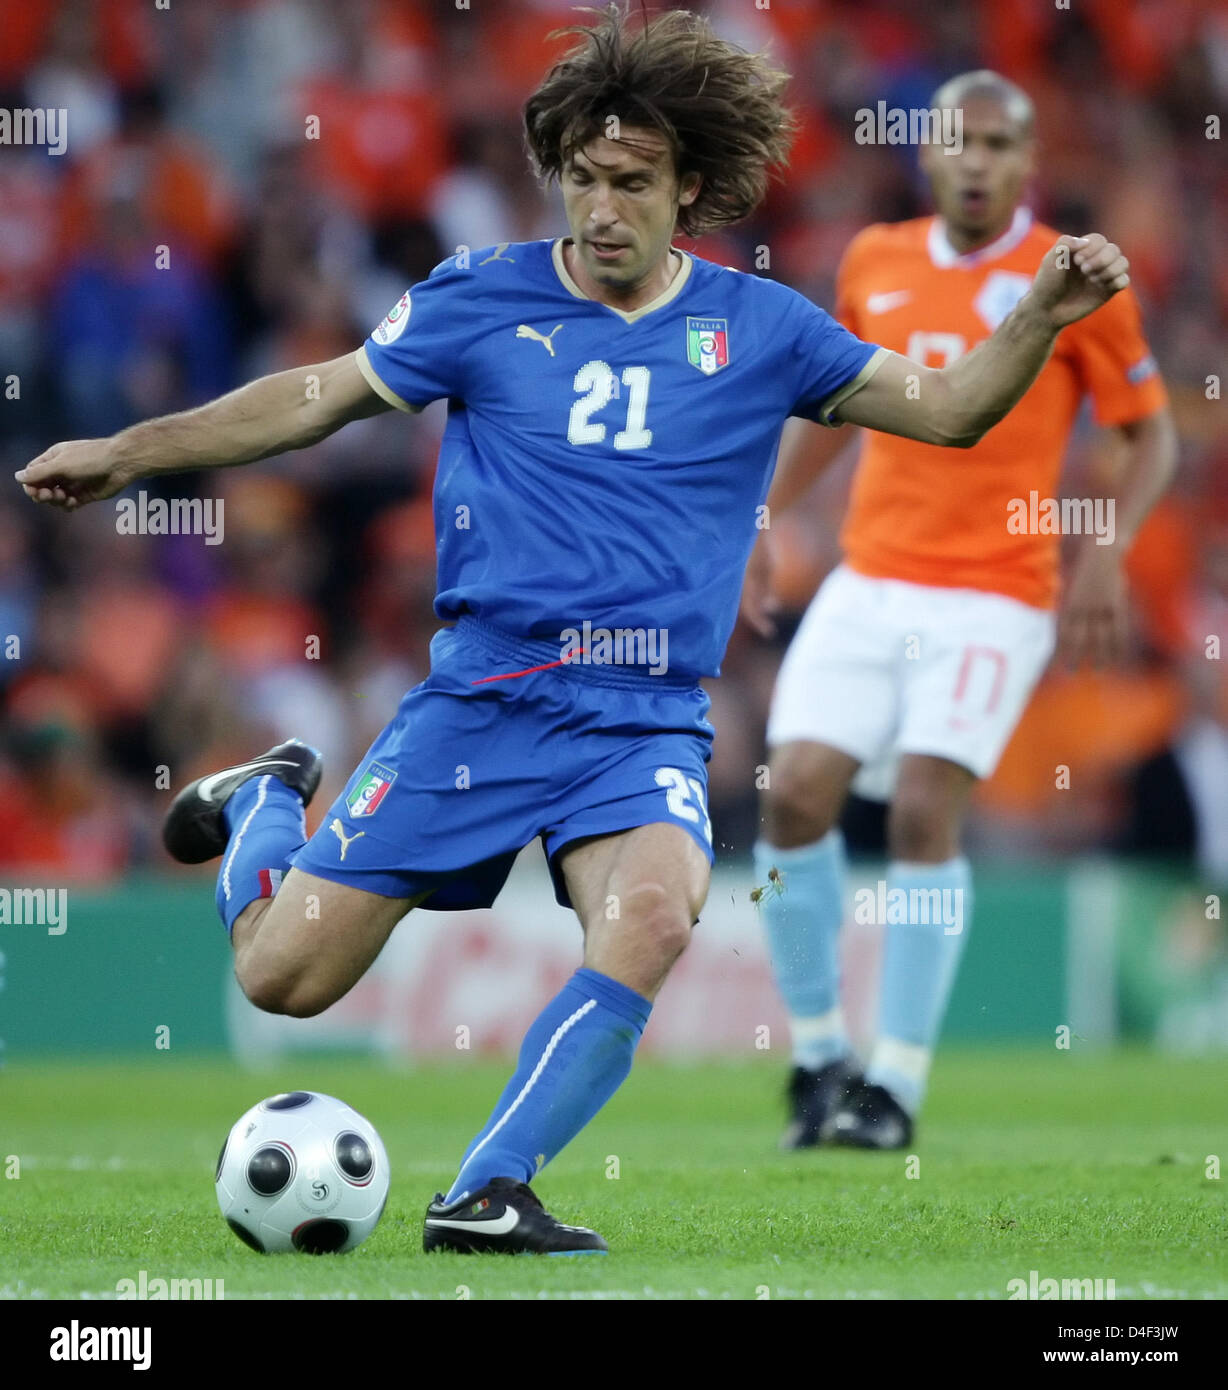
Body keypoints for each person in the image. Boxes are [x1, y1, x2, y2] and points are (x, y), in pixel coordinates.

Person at [17, 12, 1136, 1253]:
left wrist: (1038, 312)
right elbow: (308, 400)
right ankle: (264, 803)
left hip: (642, 715)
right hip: (483, 703)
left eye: (633, 184)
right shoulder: (476, 301)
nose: (602, 209)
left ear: (689, 190)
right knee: (283, 979)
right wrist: (129, 452)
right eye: (585, 180)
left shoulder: (761, 327)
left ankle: (488, 1187)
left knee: (656, 913)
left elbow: (951, 408)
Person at [740, 70, 1176, 1152]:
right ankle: (816, 1054)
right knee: (791, 792)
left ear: (1026, 162)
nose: (976, 159)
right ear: (924, 153)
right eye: (959, 140)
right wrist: (760, 513)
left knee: (927, 803)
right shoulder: (873, 260)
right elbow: (835, 407)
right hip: (869, 573)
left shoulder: (1069, 276)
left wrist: (1106, 549)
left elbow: (1147, 430)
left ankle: (894, 1083)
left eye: (998, 142)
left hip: (995, 591)